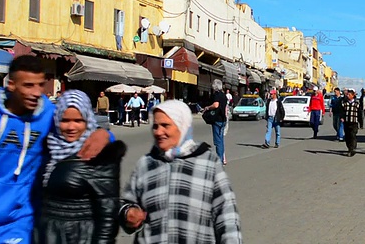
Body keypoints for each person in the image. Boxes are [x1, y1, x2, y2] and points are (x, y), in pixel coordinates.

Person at [0, 55, 111, 244]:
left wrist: (104, 135)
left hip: (25, 218)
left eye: (40, 85)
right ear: (11, 84)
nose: (37, 92)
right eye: (28, 85)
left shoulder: (48, 114)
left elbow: (79, 126)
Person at [119, 100, 242, 243]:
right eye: (155, 126)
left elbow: (228, 218)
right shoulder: (145, 164)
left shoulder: (209, 164)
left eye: (165, 125)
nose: (158, 132)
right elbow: (125, 203)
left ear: (182, 126)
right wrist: (128, 214)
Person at [37, 90, 125, 243]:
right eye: (65, 120)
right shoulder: (48, 149)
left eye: (78, 120)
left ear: (88, 120)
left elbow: (108, 218)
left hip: (80, 237)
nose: (71, 127)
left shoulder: (98, 155)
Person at [204, 79, 228, 165]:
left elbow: (216, 105)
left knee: (218, 141)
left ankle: (219, 160)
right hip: (223, 120)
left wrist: (208, 108)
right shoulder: (224, 96)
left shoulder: (217, 95)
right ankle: (221, 158)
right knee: (221, 140)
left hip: (217, 120)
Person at [341, 89, 361, 157]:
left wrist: (360, 122)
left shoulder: (357, 104)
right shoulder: (345, 103)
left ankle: (352, 149)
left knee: (353, 135)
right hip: (346, 122)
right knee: (347, 136)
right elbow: (342, 111)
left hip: (354, 122)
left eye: (349, 95)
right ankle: (349, 148)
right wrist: (342, 117)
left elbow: (360, 113)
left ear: (353, 95)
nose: (348, 96)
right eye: (347, 94)